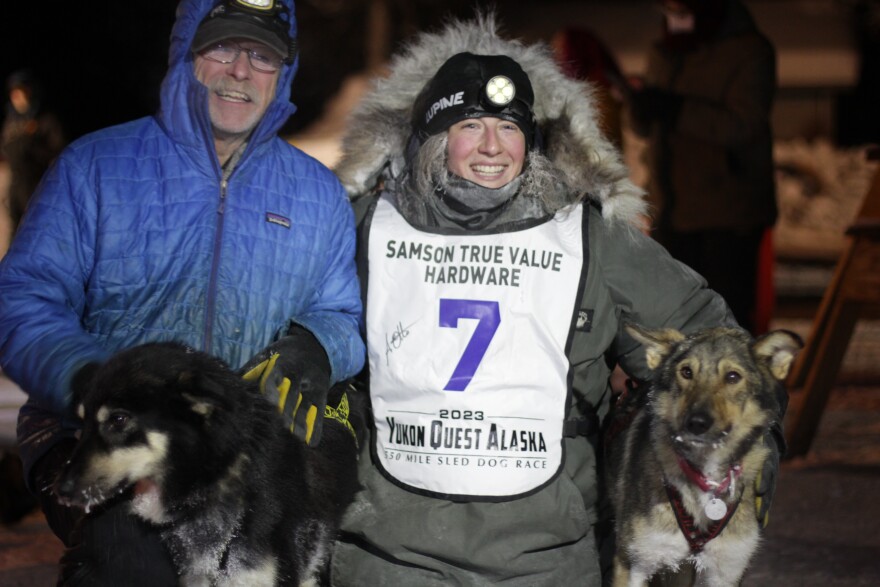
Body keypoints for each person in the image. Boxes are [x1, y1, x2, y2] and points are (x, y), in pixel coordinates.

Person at [328, 13, 784, 586]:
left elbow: (705, 334)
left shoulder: (590, 237)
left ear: (534, 141)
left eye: (511, 127)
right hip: (390, 555)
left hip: (543, 558)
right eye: (471, 125)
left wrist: (759, 428)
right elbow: (298, 316)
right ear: (434, 138)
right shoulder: (369, 227)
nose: (493, 146)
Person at [0, 0, 364, 584]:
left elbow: (341, 312)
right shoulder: (96, 167)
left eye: (262, 55)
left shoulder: (315, 194)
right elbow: (22, 299)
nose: (241, 70)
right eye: (221, 47)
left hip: (233, 446)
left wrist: (316, 346)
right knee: (138, 555)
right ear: (186, 53)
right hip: (97, 434)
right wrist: (88, 380)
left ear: (283, 73)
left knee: (285, 557)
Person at [626, 0, 778, 334]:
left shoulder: (749, 51)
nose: (674, 19)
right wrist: (641, 107)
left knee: (728, 321)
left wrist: (676, 109)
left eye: (680, 11)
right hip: (673, 208)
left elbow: (743, 125)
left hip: (729, 212)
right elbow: (649, 127)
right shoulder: (664, 51)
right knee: (674, 322)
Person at [0, 69, 66, 230]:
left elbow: (59, 152)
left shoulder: (45, 120)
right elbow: (5, 150)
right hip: (15, 186)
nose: (19, 99)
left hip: (38, 184)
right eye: (15, 95)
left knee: (37, 229)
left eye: (23, 93)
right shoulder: (11, 122)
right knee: (15, 230)